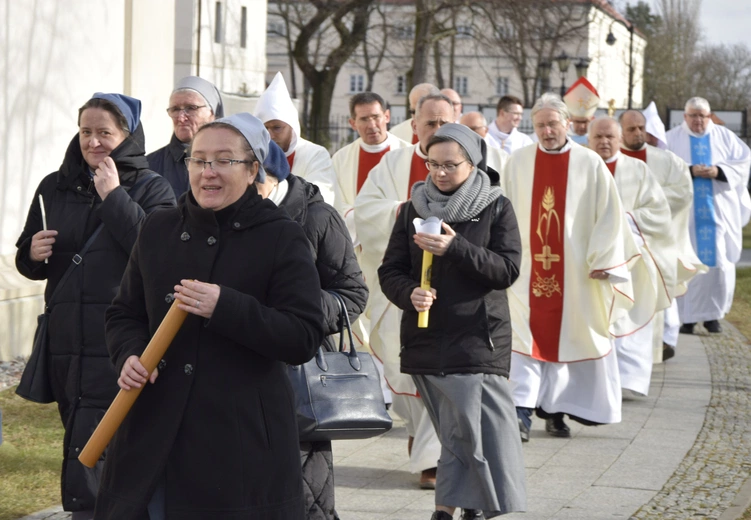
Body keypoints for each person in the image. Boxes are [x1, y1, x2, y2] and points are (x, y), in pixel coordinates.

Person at [96, 113, 325, 519]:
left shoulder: (281, 234)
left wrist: (227, 306)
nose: (208, 173)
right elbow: (124, 313)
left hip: (238, 442)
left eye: (224, 161)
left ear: (254, 168)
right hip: (154, 430)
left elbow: (302, 336)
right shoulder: (158, 227)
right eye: (199, 160)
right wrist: (129, 355)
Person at [15, 93, 176, 518]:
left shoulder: (152, 186)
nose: (93, 142)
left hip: (117, 340)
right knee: (78, 435)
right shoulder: (55, 185)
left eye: (105, 132)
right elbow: (28, 261)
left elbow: (160, 256)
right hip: (66, 340)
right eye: (86, 131)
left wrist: (114, 197)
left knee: (104, 444)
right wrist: (31, 253)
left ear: (127, 136)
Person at [378, 123, 526, 520]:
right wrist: (409, 292)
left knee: (467, 433)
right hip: (425, 340)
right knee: (457, 435)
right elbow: (389, 270)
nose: (439, 173)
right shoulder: (412, 209)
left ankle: (446, 510)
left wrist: (455, 247)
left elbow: (506, 270)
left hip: (478, 339)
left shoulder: (496, 206)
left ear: (472, 162)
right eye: (432, 164)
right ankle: (473, 507)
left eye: (450, 165)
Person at [502, 93, 640, 439]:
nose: (547, 131)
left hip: (577, 270)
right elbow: (502, 212)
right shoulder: (517, 162)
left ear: (567, 124)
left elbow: (609, 214)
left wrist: (605, 259)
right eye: (540, 125)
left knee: (567, 338)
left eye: (553, 124)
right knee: (522, 337)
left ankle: (555, 409)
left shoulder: (589, 162)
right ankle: (520, 411)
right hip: (525, 268)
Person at [257, 140, 369, 520]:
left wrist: (294, 304)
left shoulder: (318, 217)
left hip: (300, 373)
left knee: (307, 500)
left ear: (271, 178)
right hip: (240, 372)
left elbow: (352, 295)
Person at [354, 93, 457, 489]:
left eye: (442, 122)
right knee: (401, 368)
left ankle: (433, 458)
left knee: (439, 367)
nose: (435, 130)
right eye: (428, 123)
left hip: (451, 287)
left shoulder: (470, 163)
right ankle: (418, 432)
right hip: (402, 287)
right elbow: (366, 210)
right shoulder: (394, 163)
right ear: (413, 126)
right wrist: (406, 212)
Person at [589, 116, 673, 395]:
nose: (603, 142)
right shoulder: (580, 168)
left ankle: (628, 380)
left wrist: (621, 220)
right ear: (588, 140)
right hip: (587, 261)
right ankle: (594, 381)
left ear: (620, 139)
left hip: (631, 261)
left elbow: (659, 213)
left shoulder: (638, 170)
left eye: (609, 137)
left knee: (629, 317)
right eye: (598, 137)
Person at [620, 109, 706, 361]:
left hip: (656, 240)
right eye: (631, 129)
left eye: (641, 128)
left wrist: (643, 212)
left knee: (659, 291)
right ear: (621, 131)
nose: (637, 133)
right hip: (620, 242)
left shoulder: (667, 161)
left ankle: (661, 343)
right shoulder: (605, 159)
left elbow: (682, 193)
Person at [666, 97, 751, 334]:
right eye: (693, 115)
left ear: (709, 116)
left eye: (702, 116)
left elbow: (743, 161)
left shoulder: (724, 136)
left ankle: (713, 317)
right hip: (686, 217)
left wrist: (719, 170)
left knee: (719, 264)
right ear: (685, 117)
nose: (697, 120)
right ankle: (688, 318)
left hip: (718, 214)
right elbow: (662, 166)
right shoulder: (671, 138)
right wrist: (689, 170)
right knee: (686, 262)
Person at [332, 92, 410, 246]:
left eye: (376, 117)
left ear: (387, 116)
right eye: (364, 119)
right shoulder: (341, 159)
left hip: (397, 242)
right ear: (353, 123)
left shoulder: (407, 152)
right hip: (357, 244)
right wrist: (359, 220)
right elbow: (335, 202)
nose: (372, 125)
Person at [254, 72, 337, 206]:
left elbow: (319, 198)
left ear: (291, 127)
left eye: (277, 127)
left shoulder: (315, 155)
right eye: (264, 128)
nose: (270, 135)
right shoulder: (252, 156)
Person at [147, 76, 223, 198]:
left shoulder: (232, 163)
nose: (181, 118)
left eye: (191, 108)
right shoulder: (149, 166)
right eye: (175, 109)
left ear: (212, 113)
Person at [562, 77, 600, 146]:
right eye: (577, 121)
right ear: (570, 120)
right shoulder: (562, 136)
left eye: (585, 121)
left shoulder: (598, 136)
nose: (582, 126)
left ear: (592, 119)